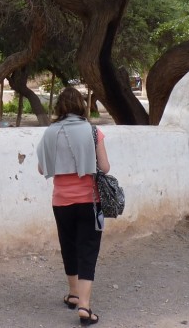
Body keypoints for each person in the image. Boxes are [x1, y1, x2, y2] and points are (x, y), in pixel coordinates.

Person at [36, 87, 110, 326]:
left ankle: (74, 294)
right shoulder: (92, 131)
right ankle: (85, 307)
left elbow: (42, 169)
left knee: (68, 247)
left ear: (59, 107)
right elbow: (105, 167)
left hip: (61, 201)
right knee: (88, 249)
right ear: (81, 106)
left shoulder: (49, 133)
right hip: (90, 200)